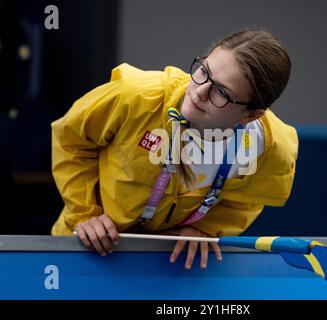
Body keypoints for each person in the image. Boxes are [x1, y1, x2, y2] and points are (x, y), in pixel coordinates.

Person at [50, 29, 298, 270]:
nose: (199, 92)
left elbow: (245, 200)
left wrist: (205, 229)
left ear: (251, 115)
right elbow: (71, 140)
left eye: (221, 92)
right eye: (204, 72)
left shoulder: (267, 149)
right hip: (86, 248)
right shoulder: (136, 96)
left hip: (168, 265)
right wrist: (85, 214)